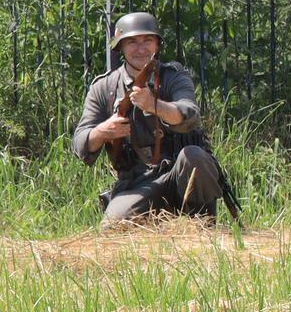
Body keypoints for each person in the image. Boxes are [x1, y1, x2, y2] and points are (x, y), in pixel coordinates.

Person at [72, 12, 226, 229]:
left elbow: (190, 114)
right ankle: (159, 223)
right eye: (132, 42)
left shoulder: (173, 76)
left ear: (157, 44)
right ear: (120, 47)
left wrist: (155, 106)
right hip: (137, 182)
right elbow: (80, 143)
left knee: (195, 156)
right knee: (113, 227)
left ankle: (202, 227)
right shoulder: (104, 88)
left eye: (147, 40)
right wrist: (103, 131)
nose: (140, 48)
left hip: (178, 171)